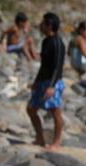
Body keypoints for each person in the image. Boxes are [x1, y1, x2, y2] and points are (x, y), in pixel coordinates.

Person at [27, 12, 67, 150]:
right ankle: (40, 138)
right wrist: (36, 82)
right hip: (42, 81)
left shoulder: (58, 43)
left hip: (53, 82)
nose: (40, 26)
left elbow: (57, 67)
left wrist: (51, 86)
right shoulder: (46, 41)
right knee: (31, 109)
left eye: (43, 23)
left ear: (49, 26)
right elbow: (44, 65)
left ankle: (56, 142)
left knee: (55, 112)